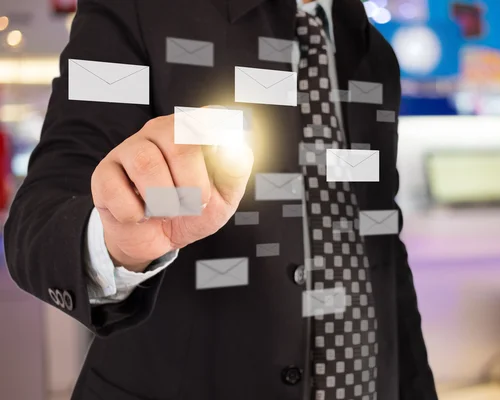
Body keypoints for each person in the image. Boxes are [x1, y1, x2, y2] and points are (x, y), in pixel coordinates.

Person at [4, 0, 438, 399]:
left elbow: (379, 243)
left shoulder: (373, 54)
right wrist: (113, 240)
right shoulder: (140, 9)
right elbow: (42, 212)